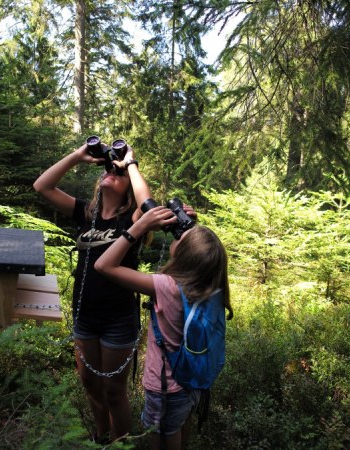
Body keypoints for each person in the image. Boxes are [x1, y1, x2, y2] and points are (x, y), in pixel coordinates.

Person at [33, 140, 152, 442]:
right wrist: (76, 155)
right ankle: (102, 436)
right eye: (108, 169)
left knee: (113, 390)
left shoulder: (133, 220)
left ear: (128, 185)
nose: (112, 171)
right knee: (90, 385)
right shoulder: (87, 215)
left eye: (118, 172)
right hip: (85, 315)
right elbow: (42, 186)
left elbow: (146, 204)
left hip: (118, 319)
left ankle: (121, 442)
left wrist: (131, 164)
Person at [94, 206, 233, 450]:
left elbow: (103, 265)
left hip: (165, 387)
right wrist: (193, 232)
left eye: (180, 237)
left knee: (162, 438)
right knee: (180, 427)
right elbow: (202, 255)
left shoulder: (166, 286)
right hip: (192, 381)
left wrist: (139, 227)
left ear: (184, 255)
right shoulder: (212, 283)